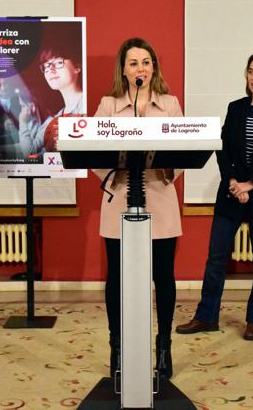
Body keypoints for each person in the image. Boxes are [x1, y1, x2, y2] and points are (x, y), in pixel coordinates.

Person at [176, 51, 253, 341]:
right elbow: (223, 148)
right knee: (216, 257)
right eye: (250, 71)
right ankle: (206, 316)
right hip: (231, 192)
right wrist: (233, 182)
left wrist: (249, 185)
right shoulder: (236, 107)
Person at [94, 37, 183, 379]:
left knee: (163, 275)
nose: (140, 68)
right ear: (124, 70)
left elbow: (185, 147)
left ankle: (164, 345)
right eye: (133, 63)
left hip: (158, 194)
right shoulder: (108, 104)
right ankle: (116, 347)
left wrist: (163, 172)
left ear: (154, 68)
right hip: (119, 195)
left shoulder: (171, 104)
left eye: (146, 62)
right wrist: (115, 177)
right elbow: (92, 150)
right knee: (116, 277)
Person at [19, 35, 84, 156]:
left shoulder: (90, 106)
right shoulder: (53, 120)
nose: (50, 69)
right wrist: (23, 122)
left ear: (77, 67)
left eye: (59, 62)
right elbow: (30, 154)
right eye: (46, 66)